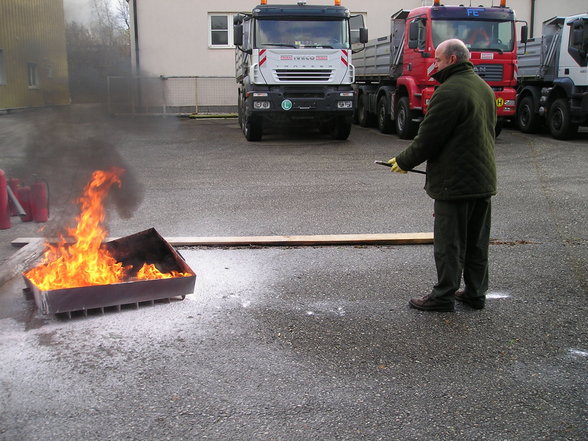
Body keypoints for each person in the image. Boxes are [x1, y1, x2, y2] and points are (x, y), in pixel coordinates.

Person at [387, 39, 496, 312]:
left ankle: (443, 295)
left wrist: (403, 161)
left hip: (455, 183)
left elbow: (428, 138)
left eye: (438, 59)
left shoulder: (449, 92)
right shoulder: (484, 88)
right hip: (482, 180)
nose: (434, 64)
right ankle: (475, 293)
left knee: (449, 242)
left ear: (452, 60)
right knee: (476, 242)